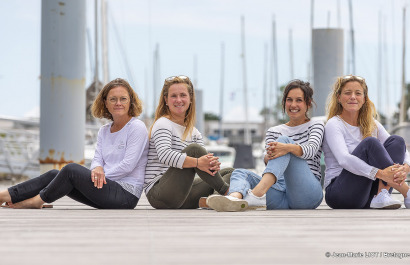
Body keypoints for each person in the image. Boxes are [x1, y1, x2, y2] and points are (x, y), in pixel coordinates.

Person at [0, 78, 149, 209]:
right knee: (54, 174)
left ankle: (37, 201)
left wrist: (97, 177)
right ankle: (5, 195)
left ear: (131, 101)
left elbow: (128, 165)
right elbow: (97, 159)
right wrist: (97, 168)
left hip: (126, 195)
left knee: (71, 170)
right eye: (113, 99)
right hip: (105, 188)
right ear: (105, 102)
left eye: (123, 99)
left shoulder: (137, 127)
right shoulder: (104, 130)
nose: (118, 103)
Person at [207, 79, 324, 211]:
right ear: (284, 102)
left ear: (308, 103)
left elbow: (311, 151)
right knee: (240, 173)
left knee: (284, 141)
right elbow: (267, 161)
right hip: (279, 194)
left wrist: (286, 148)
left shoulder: (315, 125)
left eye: (299, 100)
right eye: (289, 100)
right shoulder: (273, 131)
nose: (293, 104)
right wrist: (271, 154)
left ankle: (256, 195)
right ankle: (234, 198)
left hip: (306, 194)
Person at [144, 75, 232, 209]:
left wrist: (212, 165)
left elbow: (202, 166)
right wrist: (197, 162)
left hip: (182, 195)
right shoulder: (163, 124)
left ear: (190, 99)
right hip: (160, 194)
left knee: (231, 173)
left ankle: (211, 200)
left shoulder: (194, 132)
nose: (178, 100)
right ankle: (227, 193)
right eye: (173, 96)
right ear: (166, 100)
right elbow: (164, 155)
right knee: (194, 150)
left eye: (183, 95)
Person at [323, 75, 410, 209]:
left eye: (358, 93)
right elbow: (344, 159)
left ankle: (382, 193)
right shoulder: (334, 124)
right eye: (347, 93)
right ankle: (406, 191)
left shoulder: (372, 124)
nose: (353, 97)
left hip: (367, 195)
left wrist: (406, 167)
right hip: (340, 194)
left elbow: (401, 149)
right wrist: (380, 174)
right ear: (339, 98)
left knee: (397, 141)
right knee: (370, 143)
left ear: (364, 99)